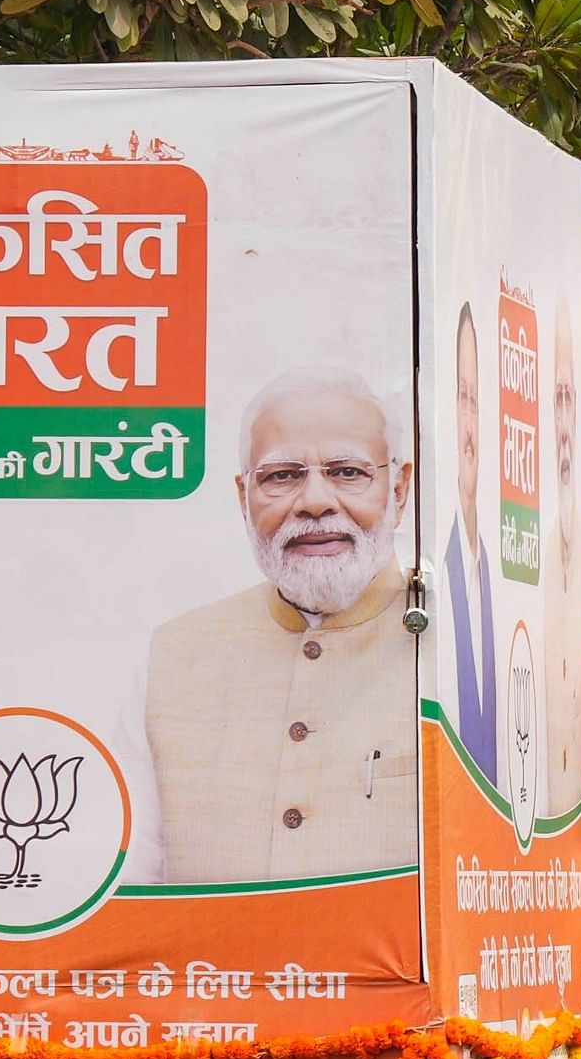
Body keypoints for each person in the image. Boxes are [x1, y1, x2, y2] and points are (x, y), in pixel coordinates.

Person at [139, 373, 421, 884]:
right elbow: (130, 873)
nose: (315, 501)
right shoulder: (173, 654)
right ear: (244, 497)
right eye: (282, 476)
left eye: (347, 472)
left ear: (399, 489)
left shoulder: (463, 649)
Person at [438, 307, 503, 784]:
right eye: (457, 397)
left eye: (474, 398)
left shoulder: (505, 563)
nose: (467, 416)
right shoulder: (429, 570)